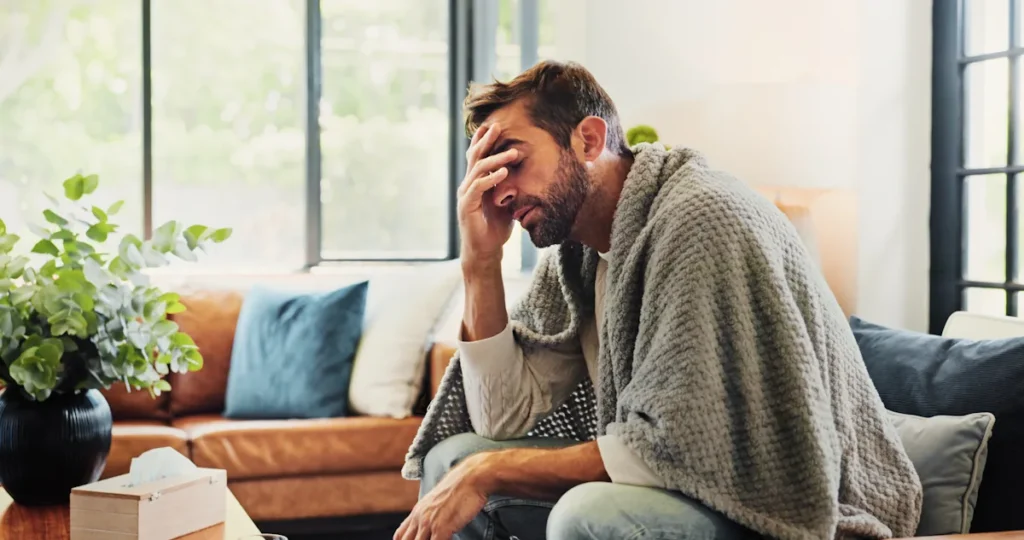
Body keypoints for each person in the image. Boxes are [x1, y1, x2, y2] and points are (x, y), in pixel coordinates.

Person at [396, 61, 922, 540]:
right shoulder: (578, 256)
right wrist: (480, 263)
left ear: (588, 139)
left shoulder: (701, 220)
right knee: (454, 457)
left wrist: (493, 471)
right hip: (681, 484)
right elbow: (502, 420)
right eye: (487, 168)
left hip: (799, 506)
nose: (499, 191)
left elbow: (676, 444)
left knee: (586, 514)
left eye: (512, 159)